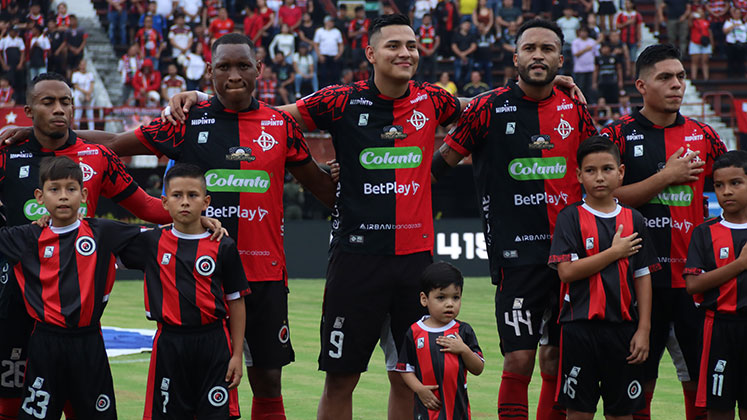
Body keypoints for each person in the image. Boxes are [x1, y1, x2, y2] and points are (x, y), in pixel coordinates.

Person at [30, 34, 336, 420]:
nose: (234, 74)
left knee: (268, 382)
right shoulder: (188, 121)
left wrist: (346, 173)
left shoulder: (280, 124)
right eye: (224, 66)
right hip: (196, 278)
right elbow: (114, 143)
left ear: (259, 69)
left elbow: (322, 188)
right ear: (209, 71)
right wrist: (38, 136)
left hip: (264, 274)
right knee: (193, 389)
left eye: (243, 65)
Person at [0, 72, 215, 420]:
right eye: (48, 102)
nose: (59, 109)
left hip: (76, 308)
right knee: (10, 402)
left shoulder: (97, 157)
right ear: (29, 110)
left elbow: (148, 207)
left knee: (81, 403)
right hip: (14, 300)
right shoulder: (7, 154)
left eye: (65, 102)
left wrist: (198, 215)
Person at [436, 18, 597, 420]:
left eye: (547, 49)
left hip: (572, 257)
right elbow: (441, 164)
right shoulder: (487, 108)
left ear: (561, 59)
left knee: (557, 358)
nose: (538, 56)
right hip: (517, 257)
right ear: (515, 58)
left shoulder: (575, 108)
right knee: (519, 359)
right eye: (530, 49)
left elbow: (599, 167)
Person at [599, 43, 728, 420]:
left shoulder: (704, 135)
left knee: (701, 385)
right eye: (666, 77)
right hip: (637, 280)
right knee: (637, 384)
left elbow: (735, 189)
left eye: (681, 77)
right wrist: (665, 177)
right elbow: (601, 198)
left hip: (695, 280)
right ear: (641, 85)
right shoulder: (617, 135)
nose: (677, 85)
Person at [0, 157, 142, 420]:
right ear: (40, 197)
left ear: (84, 194)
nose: (63, 196)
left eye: (71, 189)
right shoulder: (26, 238)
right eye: (54, 189)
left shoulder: (104, 232)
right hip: (44, 344)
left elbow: (162, 238)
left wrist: (202, 224)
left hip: (89, 344)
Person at [119, 163, 249, 419]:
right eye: (177, 195)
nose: (185, 202)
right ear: (165, 202)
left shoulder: (223, 245)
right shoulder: (151, 242)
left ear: (206, 202)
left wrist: (236, 355)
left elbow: (236, 301)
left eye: (193, 195)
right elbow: (97, 235)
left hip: (214, 344)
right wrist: (51, 220)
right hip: (169, 344)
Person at [549, 136, 657, 420]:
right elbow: (566, 271)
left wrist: (644, 329)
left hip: (623, 329)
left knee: (621, 413)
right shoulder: (570, 217)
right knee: (579, 413)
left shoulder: (635, 219)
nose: (599, 177)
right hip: (579, 328)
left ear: (621, 172)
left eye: (607, 169)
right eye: (590, 170)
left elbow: (643, 276)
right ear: (579, 175)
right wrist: (614, 252)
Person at [684, 150, 747, 420]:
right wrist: (739, 264)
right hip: (718, 328)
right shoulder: (704, 232)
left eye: (735, 183)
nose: (726, 191)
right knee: (719, 409)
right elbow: (693, 285)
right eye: (719, 185)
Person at [395, 262, 484, 419]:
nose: (450, 304)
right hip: (427, 409)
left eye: (455, 297)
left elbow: (478, 368)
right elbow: (406, 368)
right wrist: (419, 389)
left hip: (458, 410)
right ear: (424, 299)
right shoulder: (414, 332)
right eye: (441, 298)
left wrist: (464, 350)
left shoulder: (463, 331)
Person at [313, 16, 344, 87]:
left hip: (334, 56)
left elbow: (341, 44)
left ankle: (335, 90)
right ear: (325, 22)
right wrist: (319, 55)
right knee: (323, 75)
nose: (331, 23)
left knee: (335, 75)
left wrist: (339, 54)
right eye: (330, 21)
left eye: (332, 22)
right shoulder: (319, 31)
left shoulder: (337, 32)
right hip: (323, 56)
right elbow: (315, 44)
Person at [688, 4, 713, 80]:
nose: (700, 13)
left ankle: (706, 78)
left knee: (705, 61)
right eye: (698, 12)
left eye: (701, 12)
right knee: (694, 61)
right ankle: (694, 78)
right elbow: (689, 25)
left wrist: (712, 43)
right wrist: (690, 18)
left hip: (705, 43)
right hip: (695, 42)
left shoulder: (707, 22)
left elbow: (710, 33)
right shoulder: (694, 22)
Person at [451, 20, 477, 88]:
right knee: (457, 75)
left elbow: (473, 46)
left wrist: (464, 54)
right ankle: (457, 89)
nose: (467, 26)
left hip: (469, 57)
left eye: (469, 25)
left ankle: (466, 89)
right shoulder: (456, 35)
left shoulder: (472, 35)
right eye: (466, 24)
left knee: (468, 76)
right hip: (458, 58)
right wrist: (461, 55)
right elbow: (453, 46)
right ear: (461, 25)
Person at [723, 7, 747, 79]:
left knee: (741, 61)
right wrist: (733, 26)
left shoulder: (744, 23)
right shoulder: (729, 22)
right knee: (731, 61)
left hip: (741, 44)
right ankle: (730, 75)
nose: (737, 15)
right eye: (736, 13)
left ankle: (741, 75)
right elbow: (725, 31)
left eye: (738, 13)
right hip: (731, 43)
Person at [72, 60, 95, 130]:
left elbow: (92, 85)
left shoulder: (90, 74)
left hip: (89, 96)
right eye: (81, 65)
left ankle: (92, 130)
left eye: (84, 65)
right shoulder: (75, 74)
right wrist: (86, 93)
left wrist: (89, 94)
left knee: (90, 113)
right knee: (78, 113)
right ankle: (76, 130)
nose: (83, 66)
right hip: (79, 95)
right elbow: (76, 86)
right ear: (79, 66)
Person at [416, 13, 439, 83]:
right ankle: (420, 84)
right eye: (425, 19)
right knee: (420, 71)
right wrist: (425, 50)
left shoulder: (434, 29)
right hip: (422, 53)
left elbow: (438, 40)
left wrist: (432, 50)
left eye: (428, 19)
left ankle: (432, 84)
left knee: (433, 71)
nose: (427, 20)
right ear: (422, 20)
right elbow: (416, 41)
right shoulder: (419, 29)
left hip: (432, 53)